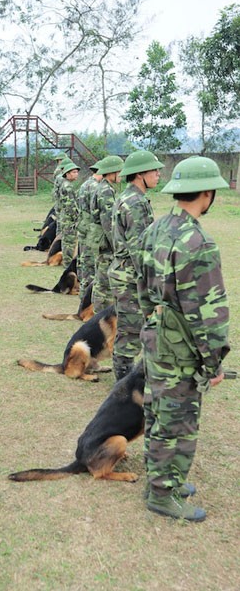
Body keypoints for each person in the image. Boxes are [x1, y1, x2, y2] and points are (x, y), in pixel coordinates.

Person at [137, 156, 230, 522]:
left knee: (159, 412)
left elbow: (142, 287)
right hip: (181, 349)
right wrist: (214, 362)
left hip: (157, 338)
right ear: (207, 193)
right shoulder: (198, 242)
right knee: (179, 421)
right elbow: (208, 315)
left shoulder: (156, 229)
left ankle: (162, 480)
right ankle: (163, 493)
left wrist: (154, 320)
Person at [108, 151, 164, 380]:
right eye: (154, 170)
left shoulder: (130, 197)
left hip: (125, 272)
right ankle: (122, 383)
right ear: (140, 174)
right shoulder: (135, 202)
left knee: (129, 328)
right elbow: (138, 250)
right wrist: (154, 284)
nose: (158, 174)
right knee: (130, 332)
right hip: (130, 276)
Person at [89, 155, 124, 312]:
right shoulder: (106, 191)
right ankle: (99, 315)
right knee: (103, 282)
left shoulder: (104, 187)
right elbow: (108, 223)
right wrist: (117, 247)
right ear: (112, 172)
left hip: (100, 240)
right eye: (120, 171)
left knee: (101, 280)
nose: (122, 175)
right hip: (105, 242)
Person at [76, 161, 102, 300]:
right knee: (90, 266)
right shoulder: (95, 187)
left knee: (84, 263)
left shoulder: (85, 184)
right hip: (90, 230)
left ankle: (83, 296)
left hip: (84, 228)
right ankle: (86, 300)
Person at [57, 160, 81, 268]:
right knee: (69, 242)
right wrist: (77, 218)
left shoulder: (66, 184)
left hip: (65, 217)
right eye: (74, 172)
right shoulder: (68, 187)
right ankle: (68, 264)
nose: (77, 174)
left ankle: (67, 263)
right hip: (69, 219)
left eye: (77, 172)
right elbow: (71, 206)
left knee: (67, 241)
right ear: (67, 174)